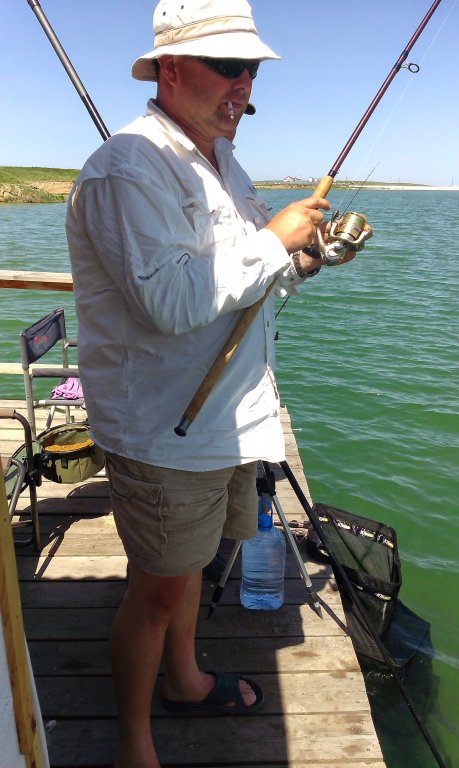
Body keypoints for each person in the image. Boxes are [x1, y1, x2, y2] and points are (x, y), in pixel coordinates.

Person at [66, 1, 371, 766]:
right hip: (162, 429)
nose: (245, 86)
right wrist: (274, 239)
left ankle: (185, 680)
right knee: (155, 594)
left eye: (251, 70)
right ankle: (135, 746)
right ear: (170, 68)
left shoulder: (223, 163)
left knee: (187, 573)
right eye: (229, 66)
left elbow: (245, 284)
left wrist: (304, 259)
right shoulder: (127, 167)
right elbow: (171, 302)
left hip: (226, 418)